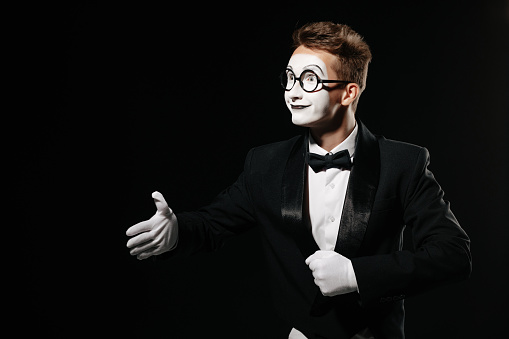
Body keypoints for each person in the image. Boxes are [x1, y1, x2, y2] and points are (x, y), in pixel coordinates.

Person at [126, 22, 471, 339]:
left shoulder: (403, 163)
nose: (292, 92)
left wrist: (356, 275)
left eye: (309, 80)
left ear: (348, 93)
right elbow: (213, 223)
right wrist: (176, 232)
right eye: (289, 78)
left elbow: (452, 255)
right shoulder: (265, 163)